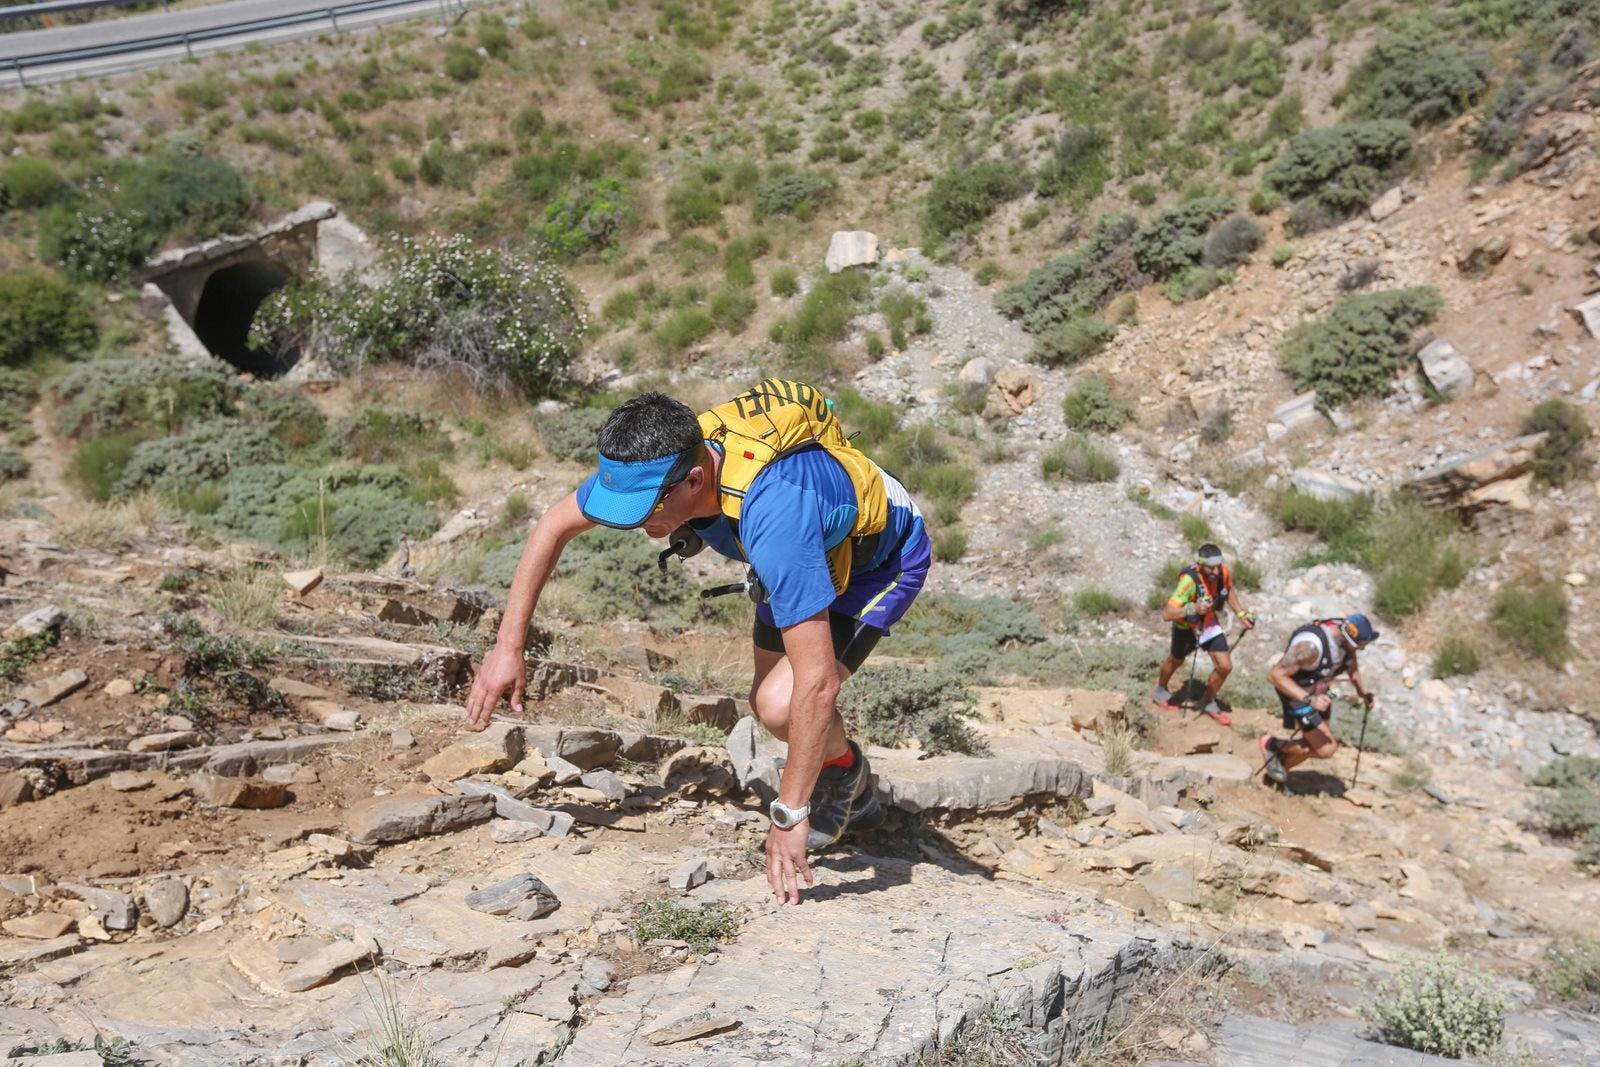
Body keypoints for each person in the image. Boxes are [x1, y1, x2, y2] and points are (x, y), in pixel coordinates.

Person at [464, 380, 931, 907]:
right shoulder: (659, 453)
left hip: (879, 560)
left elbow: (819, 683)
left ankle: (839, 782)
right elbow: (553, 525)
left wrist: (789, 811)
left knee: (785, 705)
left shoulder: (774, 517)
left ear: (693, 479)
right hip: (798, 545)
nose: (638, 527)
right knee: (766, 703)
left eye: (644, 511)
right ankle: (850, 777)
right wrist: (508, 647)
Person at [1259, 614, 1379, 789]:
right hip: (1298, 694)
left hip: (1318, 692)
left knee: (1311, 746)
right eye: (1361, 645)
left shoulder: (1345, 644)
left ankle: (1274, 779)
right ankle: (1272, 744)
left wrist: (1363, 693)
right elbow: (1275, 675)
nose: (1363, 649)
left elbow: (1352, 667)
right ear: (1350, 641)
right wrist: (1310, 700)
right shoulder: (1311, 647)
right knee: (1326, 748)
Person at [1152, 543, 1254, 724]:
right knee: (1176, 660)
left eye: (1218, 566)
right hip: (1185, 626)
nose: (1216, 571)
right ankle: (1160, 690)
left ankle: (1208, 700)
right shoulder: (1189, 581)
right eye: (1210, 568)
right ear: (1200, 565)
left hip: (1208, 623)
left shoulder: (1223, 572)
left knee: (1225, 666)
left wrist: (1241, 613)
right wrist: (1193, 607)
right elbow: (1167, 614)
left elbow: (1228, 590)